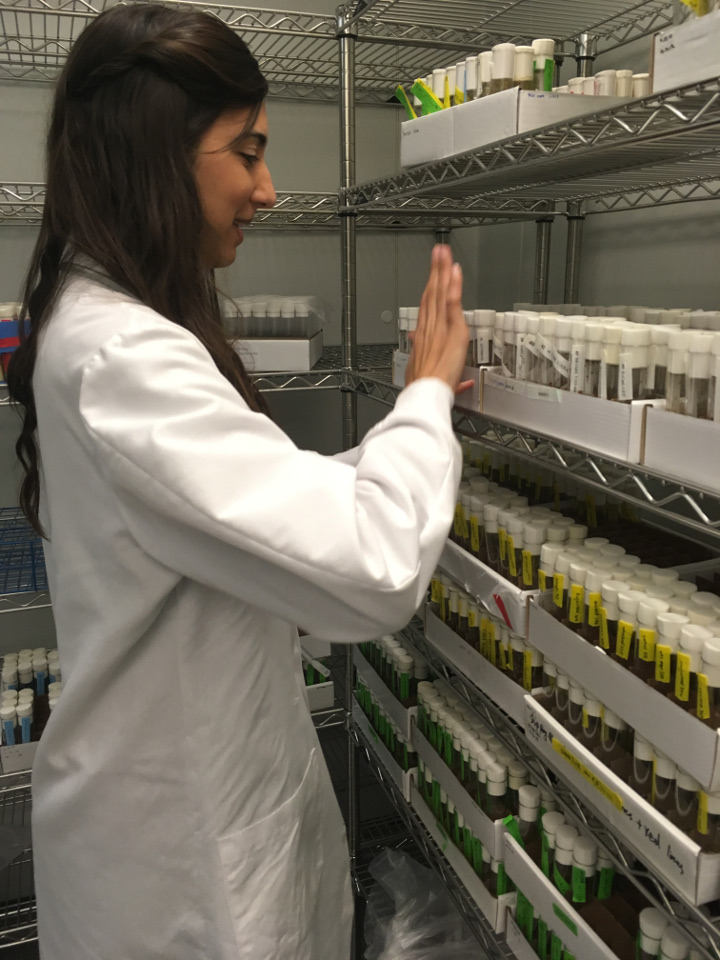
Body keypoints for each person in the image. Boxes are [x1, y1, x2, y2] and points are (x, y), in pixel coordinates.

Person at [7, 5, 469, 959]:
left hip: (188, 804)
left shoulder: (105, 324)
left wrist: (397, 434)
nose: (268, 188)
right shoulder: (125, 356)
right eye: (247, 152)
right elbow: (373, 566)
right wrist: (424, 397)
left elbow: (247, 501)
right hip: (175, 863)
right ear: (153, 159)